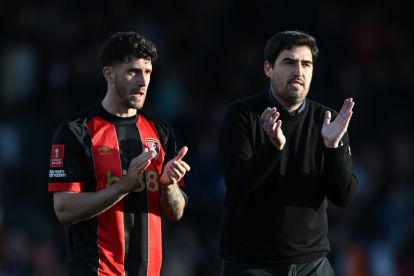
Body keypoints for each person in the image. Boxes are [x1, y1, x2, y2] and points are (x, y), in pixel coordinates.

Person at [47, 31, 190, 276]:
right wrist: (123, 186)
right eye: (133, 71)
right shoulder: (75, 131)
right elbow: (63, 209)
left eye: (147, 72)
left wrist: (169, 186)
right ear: (109, 74)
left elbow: (176, 212)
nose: (143, 82)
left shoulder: (161, 131)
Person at [218, 30, 358, 275]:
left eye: (306, 64)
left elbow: (344, 196)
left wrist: (332, 148)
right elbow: (238, 183)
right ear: (268, 69)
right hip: (251, 263)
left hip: (312, 263)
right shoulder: (242, 115)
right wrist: (272, 147)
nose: (299, 71)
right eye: (289, 62)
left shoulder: (328, 121)